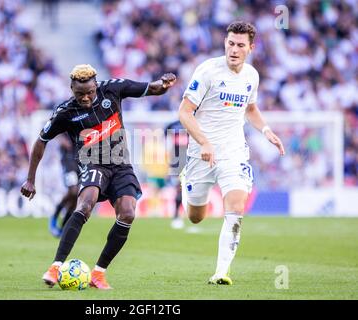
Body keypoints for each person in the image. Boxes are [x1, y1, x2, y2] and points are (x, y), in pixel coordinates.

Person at [21, 64, 176, 289]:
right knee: (85, 205)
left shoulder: (113, 89)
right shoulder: (65, 112)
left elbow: (152, 89)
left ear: (96, 85)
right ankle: (55, 267)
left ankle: (98, 273)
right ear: (71, 88)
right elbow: (40, 142)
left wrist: (164, 84)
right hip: (93, 163)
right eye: (79, 93)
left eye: (90, 92)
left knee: (128, 213)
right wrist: (30, 179)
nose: (85, 97)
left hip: (121, 165)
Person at [178, 21, 285, 285]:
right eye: (230, 44)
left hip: (234, 151)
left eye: (240, 45)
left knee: (236, 207)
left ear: (251, 47)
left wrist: (266, 130)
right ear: (225, 43)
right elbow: (184, 112)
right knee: (195, 217)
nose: (233, 50)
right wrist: (204, 142)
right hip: (200, 152)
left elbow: (250, 110)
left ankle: (221, 272)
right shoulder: (207, 71)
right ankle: (185, 182)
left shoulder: (251, 75)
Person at [48, 133, 78, 238]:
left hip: (82, 159)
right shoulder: (68, 116)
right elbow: (56, 127)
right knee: (74, 191)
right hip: (69, 160)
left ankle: (64, 228)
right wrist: (61, 139)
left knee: (77, 197)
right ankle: (54, 216)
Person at [164, 119, 188, 229]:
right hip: (177, 161)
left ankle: (185, 214)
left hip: (191, 159)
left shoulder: (193, 122)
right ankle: (176, 215)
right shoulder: (172, 124)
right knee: (179, 188)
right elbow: (165, 140)